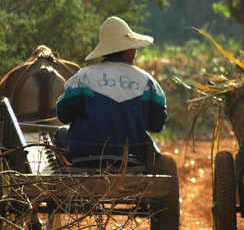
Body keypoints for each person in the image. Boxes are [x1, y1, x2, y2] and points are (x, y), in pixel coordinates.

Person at [56, 16, 167, 166]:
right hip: (131, 161)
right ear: (128, 50)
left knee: (60, 133)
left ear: (104, 52)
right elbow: (157, 125)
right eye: (133, 48)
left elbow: (63, 114)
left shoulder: (84, 77)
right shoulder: (147, 82)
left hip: (82, 160)